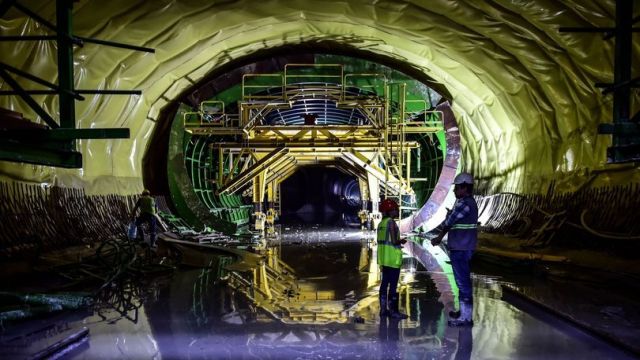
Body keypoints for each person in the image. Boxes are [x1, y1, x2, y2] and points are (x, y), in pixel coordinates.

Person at [431, 172, 478, 326]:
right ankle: (463, 313)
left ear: (465, 188)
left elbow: (449, 222)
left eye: (457, 188)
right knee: (460, 281)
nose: (454, 191)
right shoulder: (466, 203)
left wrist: (438, 238)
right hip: (462, 247)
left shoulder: (465, 204)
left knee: (463, 283)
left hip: (461, 248)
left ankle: (465, 318)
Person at [377, 198, 408, 320]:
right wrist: (402, 240)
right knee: (393, 286)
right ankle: (394, 311)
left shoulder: (381, 224)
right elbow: (394, 241)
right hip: (393, 260)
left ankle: (383, 310)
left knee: (384, 284)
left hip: (384, 259)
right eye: (396, 209)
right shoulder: (391, 223)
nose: (397, 212)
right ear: (390, 211)